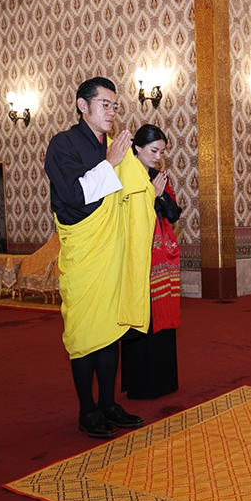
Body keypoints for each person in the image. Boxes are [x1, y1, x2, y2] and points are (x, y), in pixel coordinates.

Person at [44, 77, 155, 438]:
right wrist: (110, 163)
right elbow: (75, 195)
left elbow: (136, 191)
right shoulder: (62, 145)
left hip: (113, 252)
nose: (111, 112)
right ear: (82, 105)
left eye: (114, 105)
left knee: (110, 332)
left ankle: (107, 403)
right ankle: (87, 410)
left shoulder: (114, 145)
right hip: (85, 252)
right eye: (104, 104)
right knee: (84, 333)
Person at [119, 125, 182, 399]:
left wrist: (160, 196)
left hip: (161, 254)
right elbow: (123, 214)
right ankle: (141, 383)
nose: (158, 156)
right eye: (154, 150)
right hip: (136, 254)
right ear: (137, 148)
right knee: (140, 315)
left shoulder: (159, 176)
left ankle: (164, 380)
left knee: (161, 317)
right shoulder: (124, 175)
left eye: (162, 151)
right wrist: (151, 197)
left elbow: (174, 212)